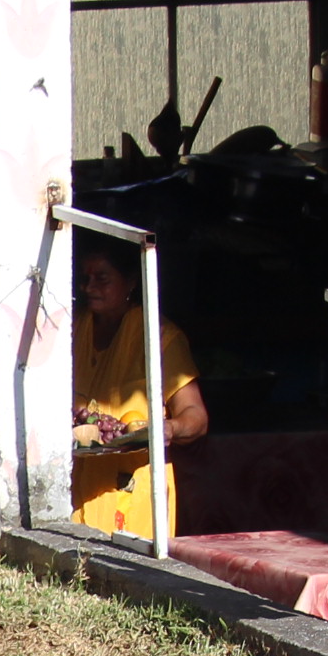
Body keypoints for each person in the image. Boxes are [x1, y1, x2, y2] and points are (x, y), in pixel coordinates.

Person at [67, 230, 205, 541]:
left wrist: (167, 429)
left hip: (133, 486)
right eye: (85, 278)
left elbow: (196, 417)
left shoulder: (160, 338)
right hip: (79, 483)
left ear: (131, 281)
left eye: (102, 278)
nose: (89, 287)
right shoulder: (73, 329)